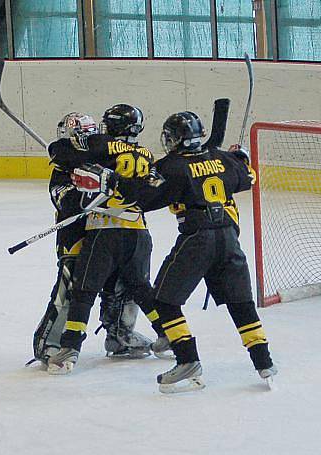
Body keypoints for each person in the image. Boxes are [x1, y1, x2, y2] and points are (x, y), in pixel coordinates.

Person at [72, 111, 277, 392]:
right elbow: (248, 177)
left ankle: (187, 360)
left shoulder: (172, 166)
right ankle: (264, 361)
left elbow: (144, 198)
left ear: (174, 139)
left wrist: (112, 182)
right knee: (241, 303)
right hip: (229, 239)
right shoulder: (223, 159)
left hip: (198, 239)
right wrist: (239, 158)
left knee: (164, 301)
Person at [45, 104, 169, 375]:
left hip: (102, 230)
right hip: (133, 231)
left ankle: (84, 344)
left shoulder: (99, 148)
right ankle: (171, 335)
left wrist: (58, 150)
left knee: (86, 290)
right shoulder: (145, 153)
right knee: (138, 287)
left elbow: (63, 152)